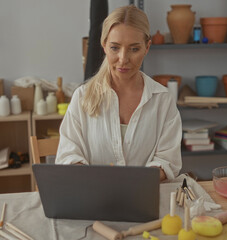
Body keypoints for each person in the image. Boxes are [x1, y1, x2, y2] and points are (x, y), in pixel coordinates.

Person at [55, 5, 182, 181]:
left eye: (134, 49)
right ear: (104, 45)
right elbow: (68, 156)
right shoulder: (82, 97)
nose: (123, 59)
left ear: (147, 47)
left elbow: (168, 160)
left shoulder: (162, 100)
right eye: (115, 48)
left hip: (143, 197)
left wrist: (136, 182)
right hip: (94, 198)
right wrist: (94, 178)